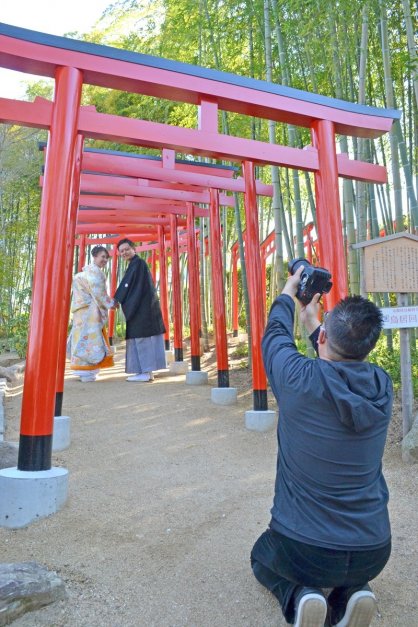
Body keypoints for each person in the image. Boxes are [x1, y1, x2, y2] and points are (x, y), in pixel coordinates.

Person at [251, 265, 393, 627]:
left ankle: (301, 597)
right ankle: (352, 593)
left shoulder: (298, 379)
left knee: (262, 556)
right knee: (348, 565)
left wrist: (288, 291)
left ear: (326, 336)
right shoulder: (381, 385)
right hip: (374, 550)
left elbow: (276, 334)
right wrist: (316, 323)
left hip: (305, 549)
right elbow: (339, 365)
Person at [114, 238, 166, 382]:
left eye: (127, 249)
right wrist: (120, 298)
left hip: (142, 308)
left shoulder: (138, 264)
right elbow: (128, 285)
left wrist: (117, 299)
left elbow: (128, 286)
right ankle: (146, 372)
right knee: (143, 339)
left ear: (134, 249)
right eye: (121, 251)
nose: (124, 252)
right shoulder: (135, 265)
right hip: (142, 307)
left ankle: (145, 372)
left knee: (142, 339)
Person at [68, 245, 115, 383]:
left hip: (80, 311)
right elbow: (99, 294)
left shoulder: (84, 272)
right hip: (89, 312)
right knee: (90, 339)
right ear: (94, 256)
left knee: (80, 338)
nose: (105, 260)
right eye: (102, 257)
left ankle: (80, 368)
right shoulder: (95, 273)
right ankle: (88, 370)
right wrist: (111, 304)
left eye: (106, 258)